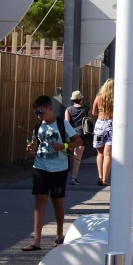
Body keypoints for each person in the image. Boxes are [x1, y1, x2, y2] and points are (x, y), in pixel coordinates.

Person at [22, 94, 82, 251]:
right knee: (39, 201)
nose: (39, 115)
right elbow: (34, 148)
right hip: (40, 167)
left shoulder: (62, 124)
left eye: (41, 112)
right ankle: (36, 240)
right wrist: (30, 150)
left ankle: (59, 234)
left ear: (50, 108)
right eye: (36, 113)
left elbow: (79, 141)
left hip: (59, 169)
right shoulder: (38, 127)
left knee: (57, 201)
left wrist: (64, 146)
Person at [64, 91, 90, 185]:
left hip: (72, 134)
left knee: (72, 155)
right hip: (83, 134)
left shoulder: (68, 109)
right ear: (81, 99)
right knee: (77, 156)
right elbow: (90, 119)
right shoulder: (86, 109)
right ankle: (73, 177)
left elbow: (66, 123)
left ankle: (71, 172)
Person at [91, 79, 114, 186]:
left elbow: (93, 112)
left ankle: (100, 177)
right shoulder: (115, 98)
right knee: (108, 154)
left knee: (100, 153)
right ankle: (105, 179)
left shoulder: (99, 97)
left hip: (100, 124)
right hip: (111, 124)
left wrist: (101, 111)